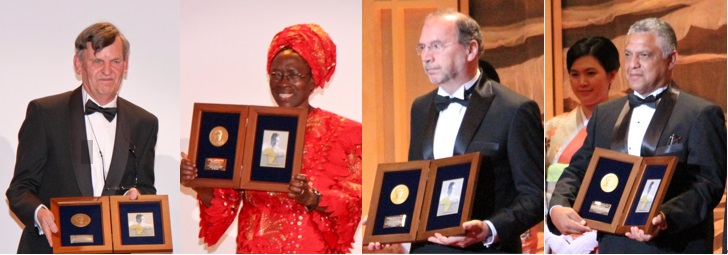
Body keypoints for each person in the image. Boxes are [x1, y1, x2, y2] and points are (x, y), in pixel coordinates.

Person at [371, 9, 543, 253]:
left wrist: (489, 228)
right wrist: (389, 225)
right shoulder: (420, 108)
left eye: (437, 46)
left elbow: (534, 197)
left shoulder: (515, 109)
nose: (426, 57)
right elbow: (419, 183)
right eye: (422, 47)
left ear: (471, 50)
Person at [548, 18, 726, 253]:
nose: (633, 65)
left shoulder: (700, 114)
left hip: (672, 246)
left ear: (671, 59)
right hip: (613, 246)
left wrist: (665, 217)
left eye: (644, 55)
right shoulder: (605, 114)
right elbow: (579, 169)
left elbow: (707, 185)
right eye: (629, 55)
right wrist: (558, 206)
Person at [180, 24, 362, 253]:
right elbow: (225, 204)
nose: (283, 82)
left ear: (313, 80)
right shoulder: (249, 129)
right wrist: (196, 182)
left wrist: (312, 197)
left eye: (294, 74)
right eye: (276, 74)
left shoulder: (345, 133)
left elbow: (355, 202)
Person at [5, 22, 158, 253]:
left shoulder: (144, 123)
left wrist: (136, 196)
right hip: (51, 248)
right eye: (97, 61)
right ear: (79, 64)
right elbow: (19, 189)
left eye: (115, 61)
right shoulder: (45, 113)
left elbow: (146, 187)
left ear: (125, 65)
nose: (107, 71)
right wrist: (40, 213)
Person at [544, 36, 620, 253]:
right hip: (559, 236)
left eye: (591, 73)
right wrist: (552, 231)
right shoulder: (552, 129)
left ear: (612, 74)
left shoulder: (626, 124)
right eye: (575, 75)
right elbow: (535, 186)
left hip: (608, 235)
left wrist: (593, 237)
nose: (582, 82)